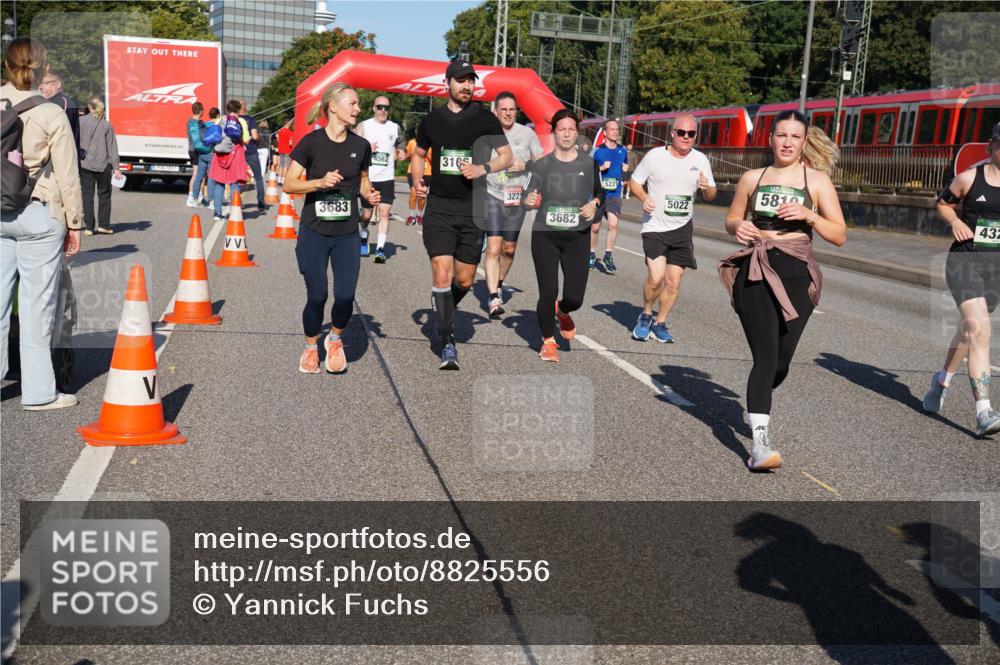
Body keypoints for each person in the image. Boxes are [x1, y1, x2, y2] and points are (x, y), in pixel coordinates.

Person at [719, 109, 846, 471]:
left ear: (804, 142)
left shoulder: (817, 181)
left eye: (795, 137)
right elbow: (731, 218)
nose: (787, 143)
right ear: (770, 138)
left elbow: (839, 235)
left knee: (781, 360)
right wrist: (738, 227)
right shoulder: (752, 178)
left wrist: (811, 216)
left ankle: (757, 401)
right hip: (756, 269)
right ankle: (760, 446)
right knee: (765, 355)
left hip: (796, 273)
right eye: (781, 135)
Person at [410, 58, 512, 369]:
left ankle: (443, 307)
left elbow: (506, 156)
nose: (467, 85)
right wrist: (417, 180)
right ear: (447, 83)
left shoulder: (485, 119)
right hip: (440, 207)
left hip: (473, 209)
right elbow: (419, 154)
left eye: (471, 80)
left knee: (465, 280)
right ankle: (447, 341)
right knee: (441, 273)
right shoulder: (432, 121)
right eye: (461, 80)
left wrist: (483, 167)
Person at [1, 38, 83, 410]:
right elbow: (68, 174)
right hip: (38, 211)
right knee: (37, 306)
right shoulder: (51, 113)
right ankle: (38, 393)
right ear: (42, 69)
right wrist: (75, 224)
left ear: (7, 66)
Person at [283, 83, 379, 374]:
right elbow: (289, 184)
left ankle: (335, 339)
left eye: (358, 104)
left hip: (347, 233)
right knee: (317, 296)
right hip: (314, 231)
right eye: (353, 103)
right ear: (333, 107)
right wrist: (318, 183)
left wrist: (370, 195)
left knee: (346, 295)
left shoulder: (361, 146)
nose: (358, 109)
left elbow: (363, 182)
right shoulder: (311, 143)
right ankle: (311, 346)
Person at [922, 122, 1000, 436]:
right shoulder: (970, 178)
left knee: (969, 332)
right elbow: (943, 204)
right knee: (980, 328)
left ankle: (941, 380)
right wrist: (954, 221)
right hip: (964, 262)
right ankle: (984, 411)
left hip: (995, 269)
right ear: (992, 146)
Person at [522, 109, 604, 362]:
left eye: (571, 129)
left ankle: (564, 311)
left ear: (577, 133)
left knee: (575, 297)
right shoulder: (541, 165)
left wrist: (594, 204)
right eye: (562, 129)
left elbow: (601, 193)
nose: (567, 134)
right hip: (545, 236)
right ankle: (548, 341)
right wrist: (528, 199)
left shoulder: (588, 164)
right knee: (548, 292)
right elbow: (526, 195)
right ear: (554, 133)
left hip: (577, 236)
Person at [629, 114, 716, 342]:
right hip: (655, 226)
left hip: (682, 228)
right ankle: (646, 314)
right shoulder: (655, 156)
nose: (686, 137)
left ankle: (660, 323)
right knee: (656, 277)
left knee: (674, 282)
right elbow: (635, 182)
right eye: (682, 132)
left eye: (691, 133)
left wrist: (707, 188)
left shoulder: (700, 160)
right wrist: (644, 198)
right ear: (672, 133)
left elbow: (711, 194)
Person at [483, 91, 545, 318]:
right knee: (494, 248)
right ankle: (493, 297)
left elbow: (542, 163)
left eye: (512, 109)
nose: (508, 113)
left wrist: (525, 165)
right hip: (492, 194)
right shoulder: (486, 133)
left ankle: (498, 283)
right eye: (504, 110)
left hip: (515, 198)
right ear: (495, 111)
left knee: (508, 249)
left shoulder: (527, 134)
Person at [357, 95, 405, 263]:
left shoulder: (395, 127)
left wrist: (401, 152)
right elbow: (352, 148)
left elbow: (401, 145)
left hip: (387, 177)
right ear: (374, 108)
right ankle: (363, 235)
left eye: (386, 107)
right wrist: (366, 148)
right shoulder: (363, 126)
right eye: (380, 107)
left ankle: (380, 249)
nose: (383, 110)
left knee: (384, 213)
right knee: (367, 214)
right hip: (367, 178)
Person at [590, 119, 628, 274]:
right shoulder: (597, 151)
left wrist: (625, 169)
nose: (615, 132)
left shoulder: (623, 151)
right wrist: (601, 167)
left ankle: (608, 256)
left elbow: (624, 166)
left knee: (613, 224)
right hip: (599, 194)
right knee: (595, 227)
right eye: (612, 129)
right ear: (605, 132)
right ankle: (591, 254)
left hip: (614, 194)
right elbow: (588, 171)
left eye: (617, 129)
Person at [78, 97, 121, 235]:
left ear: (89, 107)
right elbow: (112, 148)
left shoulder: (80, 122)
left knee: (87, 196)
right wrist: (116, 168)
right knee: (104, 195)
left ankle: (89, 227)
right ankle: (103, 225)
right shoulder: (106, 125)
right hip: (103, 165)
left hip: (85, 164)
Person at [208, 99, 249, 222]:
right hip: (234, 154)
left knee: (219, 183)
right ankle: (234, 212)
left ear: (227, 109)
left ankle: (217, 212)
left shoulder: (220, 120)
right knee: (234, 183)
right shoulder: (241, 121)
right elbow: (246, 140)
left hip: (220, 154)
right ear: (238, 110)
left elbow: (214, 135)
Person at [38, 67, 80, 155]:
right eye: (39, 83)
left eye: (45, 83)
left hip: (63, 157)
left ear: (57, 84)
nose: (40, 87)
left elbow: (60, 137)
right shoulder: (48, 103)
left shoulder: (63, 104)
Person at [239, 100, 267, 211]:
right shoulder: (250, 120)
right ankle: (261, 203)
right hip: (251, 151)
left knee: (237, 178)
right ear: (245, 108)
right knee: (258, 177)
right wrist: (257, 139)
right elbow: (255, 137)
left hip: (239, 152)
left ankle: (236, 201)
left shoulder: (234, 120)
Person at [186, 101, 212, 208]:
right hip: (197, 150)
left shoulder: (189, 121)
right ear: (201, 111)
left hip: (191, 149)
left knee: (200, 174)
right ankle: (192, 198)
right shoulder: (199, 123)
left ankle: (199, 197)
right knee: (197, 174)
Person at [405, 135, 431, 225]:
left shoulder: (432, 143)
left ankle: (419, 215)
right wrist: (411, 155)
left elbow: (434, 160)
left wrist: (425, 154)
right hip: (413, 171)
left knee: (422, 195)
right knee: (413, 193)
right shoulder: (412, 142)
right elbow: (408, 156)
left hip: (427, 172)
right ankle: (411, 216)